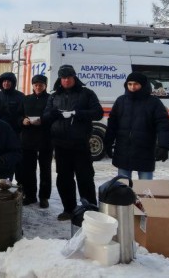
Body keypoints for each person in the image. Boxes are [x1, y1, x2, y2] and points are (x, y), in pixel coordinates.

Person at [42, 64, 104, 221]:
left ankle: (89, 210)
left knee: (85, 178)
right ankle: (68, 209)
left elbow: (98, 113)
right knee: (64, 179)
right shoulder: (54, 96)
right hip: (61, 145)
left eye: (69, 77)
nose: (66, 80)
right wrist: (54, 114)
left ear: (74, 77)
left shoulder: (87, 93)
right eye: (63, 78)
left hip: (80, 144)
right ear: (59, 79)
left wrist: (78, 113)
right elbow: (45, 117)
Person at [103, 72, 169, 180]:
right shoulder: (121, 101)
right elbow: (112, 124)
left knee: (145, 187)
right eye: (129, 84)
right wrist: (108, 142)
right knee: (123, 186)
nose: (132, 87)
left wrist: (164, 146)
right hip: (123, 151)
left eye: (136, 84)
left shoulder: (154, 102)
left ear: (143, 85)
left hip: (145, 151)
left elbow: (163, 125)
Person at [18, 74, 53, 208]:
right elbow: (18, 115)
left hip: (45, 139)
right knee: (28, 169)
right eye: (36, 85)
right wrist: (23, 120)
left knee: (45, 169)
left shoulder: (50, 99)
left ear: (45, 86)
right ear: (32, 86)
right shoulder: (26, 99)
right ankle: (30, 195)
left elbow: (54, 115)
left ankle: (44, 197)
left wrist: (42, 121)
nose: (38, 87)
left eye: (41, 85)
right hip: (28, 139)